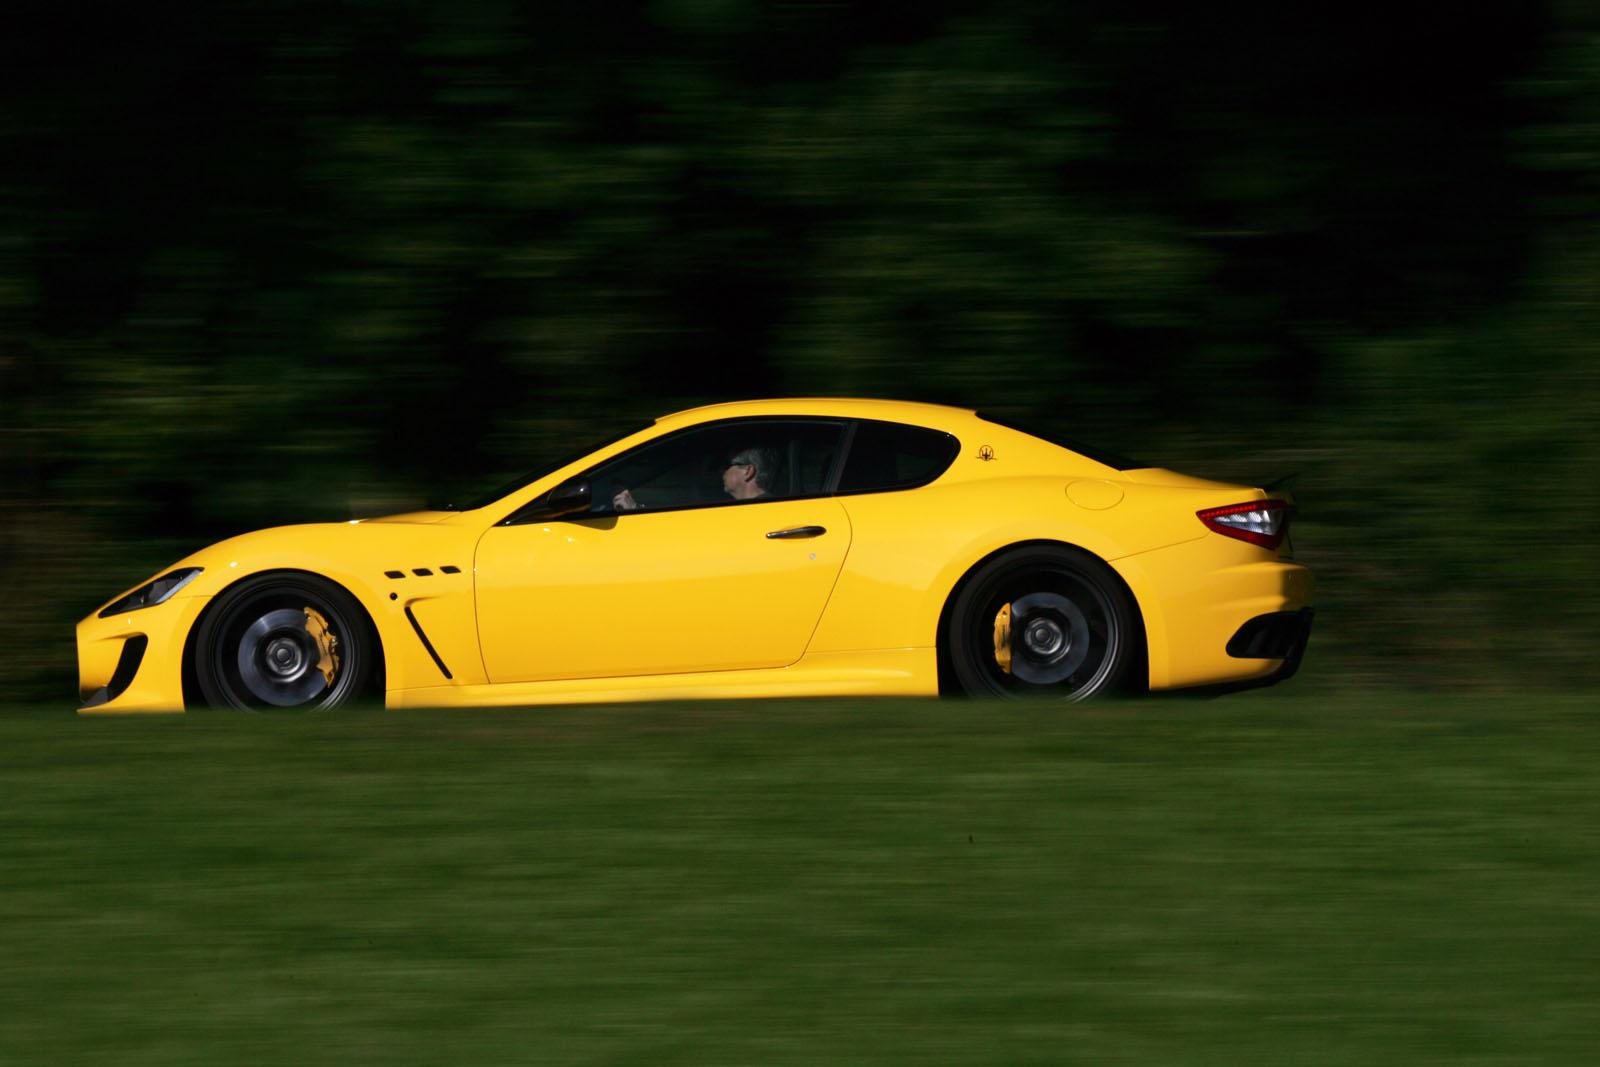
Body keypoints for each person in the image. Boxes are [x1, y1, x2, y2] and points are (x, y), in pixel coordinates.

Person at [612, 446, 776, 511]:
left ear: (748, 471)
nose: (721, 471)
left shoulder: (760, 511)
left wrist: (634, 510)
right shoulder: (743, 508)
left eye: (727, 465)